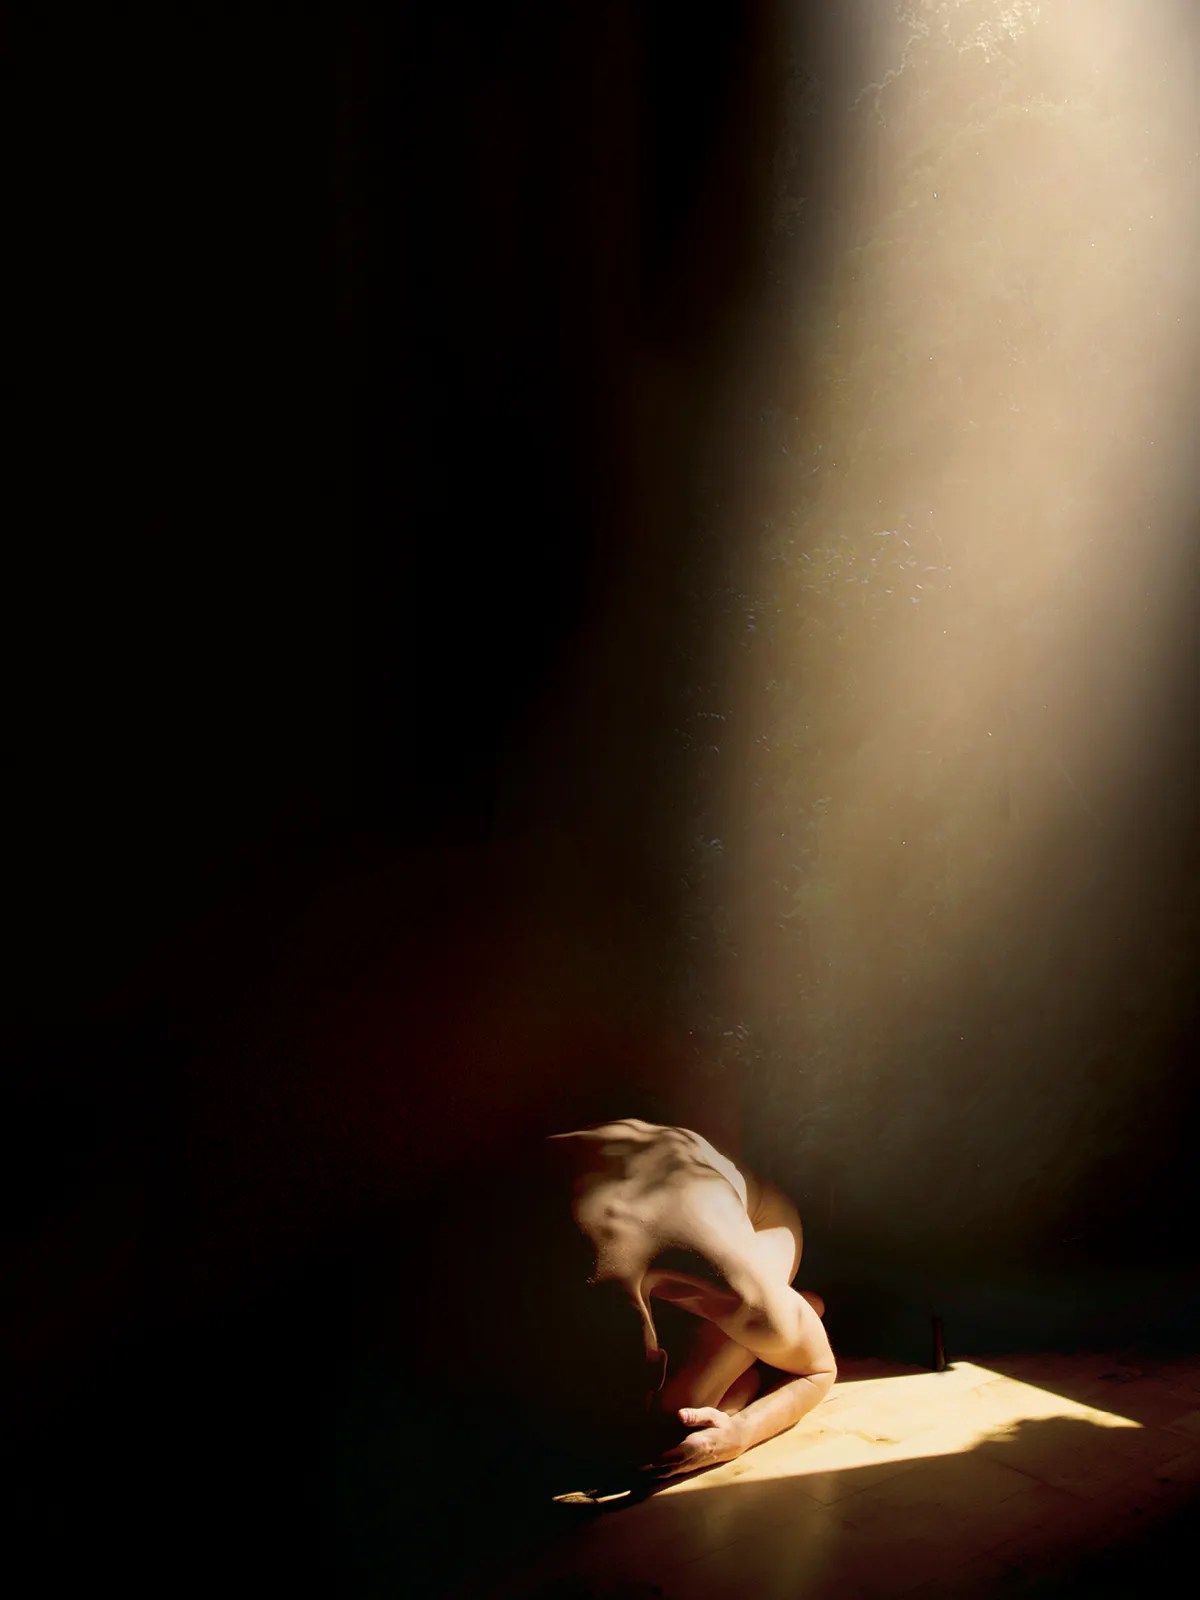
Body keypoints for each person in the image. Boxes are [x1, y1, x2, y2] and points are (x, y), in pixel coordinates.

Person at [522, 1117, 836, 1491]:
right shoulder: (503, 1247)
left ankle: (795, 1313)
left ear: (658, 1360)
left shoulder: (733, 1284)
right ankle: (772, 1332)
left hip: (761, 1217)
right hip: (662, 1188)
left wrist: (739, 1433)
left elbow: (818, 1370)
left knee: (676, 1414)